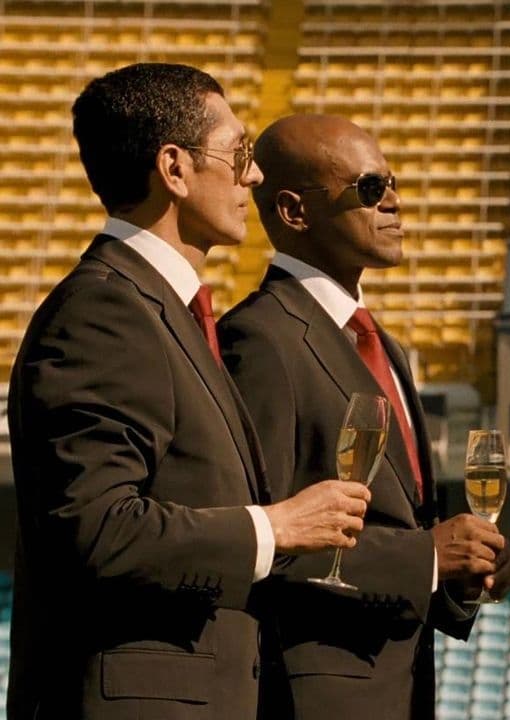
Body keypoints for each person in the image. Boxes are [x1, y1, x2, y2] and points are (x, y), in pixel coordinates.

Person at [6, 64, 372, 720]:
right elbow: (95, 528)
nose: (253, 176)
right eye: (239, 153)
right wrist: (275, 526)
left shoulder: (157, 310)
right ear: (174, 168)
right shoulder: (106, 312)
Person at [218, 113, 510, 719]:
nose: (395, 202)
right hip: (307, 697)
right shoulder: (259, 340)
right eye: (371, 188)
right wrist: (426, 556)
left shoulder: (383, 345)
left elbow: (400, 531)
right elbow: (254, 537)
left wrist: (459, 575)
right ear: (294, 211)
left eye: (394, 184)